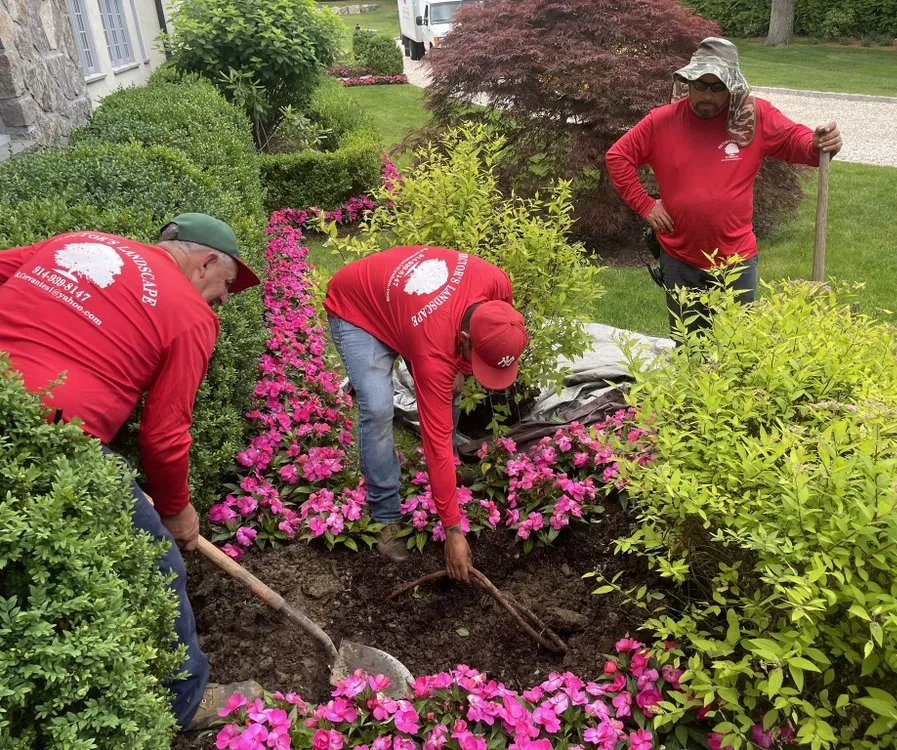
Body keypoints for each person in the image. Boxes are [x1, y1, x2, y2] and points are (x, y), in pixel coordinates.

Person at [0, 213, 263, 731]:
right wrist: (177, 512)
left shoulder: (78, 240)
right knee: (156, 558)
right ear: (206, 261)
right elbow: (164, 435)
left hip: (18, 413)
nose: (226, 300)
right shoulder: (190, 314)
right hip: (52, 438)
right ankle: (187, 702)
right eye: (228, 284)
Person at [606, 37, 843, 331]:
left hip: (736, 261)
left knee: (737, 346)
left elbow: (799, 144)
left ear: (732, 87)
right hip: (680, 259)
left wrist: (819, 143)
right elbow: (618, 156)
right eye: (700, 85)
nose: (707, 94)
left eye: (717, 87)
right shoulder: (662, 122)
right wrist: (645, 205)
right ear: (688, 83)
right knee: (688, 347)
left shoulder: (753, 117)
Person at [324, 246, 529, 583]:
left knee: (451, 389)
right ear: (464, 338)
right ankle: (385, 513)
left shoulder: (497, 282)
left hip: (407, 311)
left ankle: (447, 479)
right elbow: (435, 440)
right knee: (378, 408)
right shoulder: (433, 350)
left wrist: (463, 366)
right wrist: (453, 530)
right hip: (357, 307)